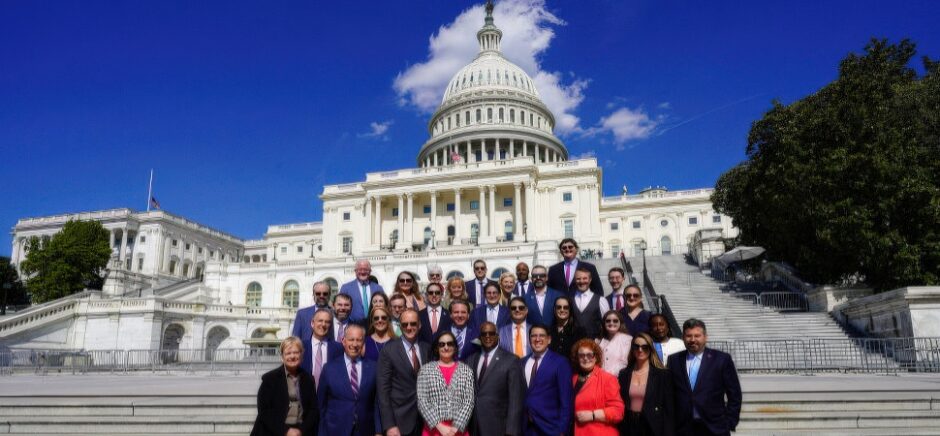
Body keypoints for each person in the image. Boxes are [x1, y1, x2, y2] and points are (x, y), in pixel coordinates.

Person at [667, 319, 742, 436]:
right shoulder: (674, 360)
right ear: (683, 338)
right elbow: (668, 393)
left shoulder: (721, 359)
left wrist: (730, 422)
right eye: (688, 336)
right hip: (683, 428)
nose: (693, 340)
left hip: (715, 428)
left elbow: (734, 394)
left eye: (697, 336)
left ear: (705, 337)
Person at [317, 324, 381, 436]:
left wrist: (379, 431)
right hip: (335, 430)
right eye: (351, 339)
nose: (355, 344)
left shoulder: (373, 368)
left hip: (366, 430)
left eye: (359, 340)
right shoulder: (329, 369)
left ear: (363, 342)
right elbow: (321, 405)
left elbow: (377, 403)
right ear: (343, 341)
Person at [467, 321, 525, 436]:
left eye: (491, 333)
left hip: (498, 426)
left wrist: (511, 431)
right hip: (474, 426)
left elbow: (516, 399)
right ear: (480, 337)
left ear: (497, 336)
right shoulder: (471, 359)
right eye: (484, 334)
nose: (487, 336)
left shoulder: (511, 360)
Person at [251, 336, 318, 436]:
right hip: (273, 431)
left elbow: (313, 410)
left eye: (296, 352)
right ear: (282, 357)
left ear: (301, 355)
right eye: (288, 353)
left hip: (300, 431)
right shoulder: (269, 379)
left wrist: (301, 431)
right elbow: (264, 411)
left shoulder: (308, 379)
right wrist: (286, 431)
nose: (292, 356)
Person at [378, 309, 430, 436]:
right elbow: (383, 391)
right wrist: (389, 425)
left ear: (419, 325)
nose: (409, 327)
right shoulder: (389, 351)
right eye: (405, 324)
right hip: (400, 421)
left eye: (413, 323)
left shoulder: (427, 348)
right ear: (400, 326)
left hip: (426, 421)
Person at [416, 331, 476, 436]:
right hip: (433, 431)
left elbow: (468, 401)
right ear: (437, 348)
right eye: (442, 344)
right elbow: (422, 401)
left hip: (458, 431)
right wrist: (440, 426)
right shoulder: (425, 371)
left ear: (455, 347)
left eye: (450, 344)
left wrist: (455, 428)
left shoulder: (466, 371)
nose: (446, 347)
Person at [618, 332, 674, 436]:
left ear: (651, 349)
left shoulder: (662, 375)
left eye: (645, 347)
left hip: (652, 426)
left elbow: (668, 409)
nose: (640, 350)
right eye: (636, 346)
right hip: (629, 426)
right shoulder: (624, 374)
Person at [522, 324, 572, 436]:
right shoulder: (522, 362)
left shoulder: (560, 362)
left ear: (549, 340)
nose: (537, 339)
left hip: (551, 428)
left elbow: (566, 400)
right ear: (529, 340)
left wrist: (562, 430)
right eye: (533, 336)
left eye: (542, 336)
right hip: (527, 428)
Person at [570, 339, 624, 436]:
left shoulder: (608, 379)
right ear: (577, 358)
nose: (585, 358)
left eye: (589, 355)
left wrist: (592, 415)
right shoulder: (572, 379)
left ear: (596, 357)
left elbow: (618, 412)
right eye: (581, 355)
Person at [301, 309, 344, 383]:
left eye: (327, 322)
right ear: (312, 323)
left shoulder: (339, 348)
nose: (323, 324)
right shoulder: (301, 347)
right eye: (320, 321)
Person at [571, 267, 610, 339]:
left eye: (585, 278)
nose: (581, 281)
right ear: (574, 280)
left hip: (595, 342)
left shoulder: (601, 300)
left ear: (590, 280)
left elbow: (607, 323)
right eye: (578, 279)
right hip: (574, 342)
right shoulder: (570, 300)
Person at [597, 310, 632, 376]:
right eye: (608, 321)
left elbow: (624, 363)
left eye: (615, 321)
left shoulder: (627, 340)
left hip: (617, 378)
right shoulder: (598, 341)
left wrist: (607, 375)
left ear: (620, 323)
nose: (611, 323)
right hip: (599, 378)